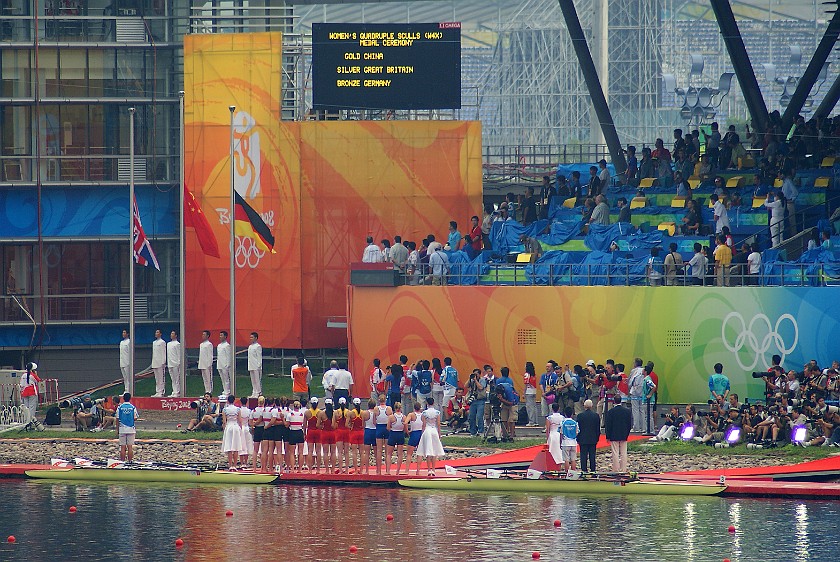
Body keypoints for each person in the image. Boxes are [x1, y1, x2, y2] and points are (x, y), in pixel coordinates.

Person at [416, 397, 445, 476]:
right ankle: (433, 470)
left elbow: (424, 424)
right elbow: (438, 424)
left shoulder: (424, 413)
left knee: (428, 451)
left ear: (427, 403)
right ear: (433, 403)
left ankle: (429, 470)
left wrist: (422, 432)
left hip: (427, 430)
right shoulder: (437, 412)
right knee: (434, 451)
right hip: (434, 430)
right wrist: (439, 433)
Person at [604, 395, 632, 473]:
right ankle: (623, 469)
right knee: (623, 453)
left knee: (615, 453)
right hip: (623, 434)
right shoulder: (627, 411)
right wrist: (627, 433)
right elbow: (629, 424)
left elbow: (608, 425)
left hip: (614, 434)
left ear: (614, 401)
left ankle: (616, 469)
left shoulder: (611, 412)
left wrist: (608, 436)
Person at [576, 399, 600, 472]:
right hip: (593, 438)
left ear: (584, 406)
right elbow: (597, 428)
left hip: (583, 438)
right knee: (592, 455)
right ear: (592, 406)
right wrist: (597, 438)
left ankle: (584, 469)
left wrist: (578, 438)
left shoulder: (580, 416)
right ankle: (593, 469)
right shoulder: (596, 416)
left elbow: (578, 428)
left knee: (583, 455)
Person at [117, 392, 139, 462]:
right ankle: (130, 461)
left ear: (123, 398)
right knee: (130, 447)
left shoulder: (120, 407)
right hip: (131, 428)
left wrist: (117, 429)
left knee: (122, 447)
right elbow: (135, 418)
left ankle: (122, 461)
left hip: (122, 428)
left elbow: (117, 419)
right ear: (130, 398)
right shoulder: (133, 407)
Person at [221, 394, 242, 469]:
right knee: (235, 446)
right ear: (234, 400)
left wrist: (224, 429)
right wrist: (240, 428)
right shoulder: (238, 409)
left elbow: (224, 421)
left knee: (229, 446)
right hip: (235, 426)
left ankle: (230, 465)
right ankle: (235, 465)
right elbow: (240, 420)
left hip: (229, 426)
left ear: (227, 400)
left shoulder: (225, 409)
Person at [386, 402, 407, 475]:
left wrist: (393, 428)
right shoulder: (404, 417)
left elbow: (388, 427)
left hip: (393, 434)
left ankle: (388, 471)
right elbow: (405, 428)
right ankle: (397, 471)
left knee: (389, 454)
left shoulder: (391, 417)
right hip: (400, 434)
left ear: (394, 408)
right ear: (400, 408)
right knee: (400, 454)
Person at [373, 394, 392, 475]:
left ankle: (378, 470)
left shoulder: (376, 409)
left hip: (379, 428)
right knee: (388, 452)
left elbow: (374, 421)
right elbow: (391, 419)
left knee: (379, 450)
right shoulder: (389, 408)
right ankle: (388, 471)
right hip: (386, 428)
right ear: (385, 400)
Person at [317, 398, 337, 474]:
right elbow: (334, 425)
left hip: (325, 433)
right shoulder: (334, 413)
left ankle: (327, 470)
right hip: (332, 433)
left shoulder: (321, 413)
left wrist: (322, 427)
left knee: (325, 452)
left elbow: (317, 425)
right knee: (333, 452)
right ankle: (333, 470)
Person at [285, 400, 305, 472]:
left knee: (292, 453)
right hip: (299, 432)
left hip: (292, 432)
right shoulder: (302, 414)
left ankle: (292, 468)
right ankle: (300, 469)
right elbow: (304, 424)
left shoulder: (290, 414)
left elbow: (287, 425)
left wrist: (283, 419)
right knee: (301, 452)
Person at [466, 368, 487, 436]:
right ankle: (473, 431)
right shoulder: (472, 381)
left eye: (476, 374)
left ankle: (481, 431)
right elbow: (465, 386)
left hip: (480, 400)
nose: (475, 376)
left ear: (479, 374)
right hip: (473, 400)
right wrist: (470, 379)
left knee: (479, 416)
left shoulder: (482, 380)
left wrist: (475, 380)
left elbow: (481, 388)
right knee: (471, 416)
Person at [347, 397, 366, 474]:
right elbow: (364, 424)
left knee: (354, 453)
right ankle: (361, 470)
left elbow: (346, 424)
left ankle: (355, 470)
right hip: (361, 432)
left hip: (354, 432)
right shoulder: (363, 412)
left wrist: (351, 427)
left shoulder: (351, 413)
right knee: (362, 452)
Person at [627, 358, 645, 433]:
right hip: (642, 391)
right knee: (642, 410)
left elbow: (630, 381)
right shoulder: (644, 370)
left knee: (635, 410)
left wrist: (629, 386)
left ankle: (636, 427)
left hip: (634, 391)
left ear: (635, 363)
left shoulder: (634, 371)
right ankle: (643, 427)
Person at [406, 402, 424, 475]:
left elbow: (405, 422)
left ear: (414, 408)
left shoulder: (411, 414)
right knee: (419, 453)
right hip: (420, 433)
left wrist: (407, 431)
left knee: (409, 454)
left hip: (414, 433)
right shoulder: (423, 415)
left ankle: (407, 470)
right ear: (420, 408)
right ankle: (418, 471)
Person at [21, 362, 41, 427]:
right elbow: (38, 380)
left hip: (24, 392)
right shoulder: (33, 375)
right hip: (32, 392)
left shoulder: (23, 375)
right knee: (32, 407)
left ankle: (26, 420)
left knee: (26, 407)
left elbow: (21, 384)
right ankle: (31, 421)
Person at [304, 397, 321, 473]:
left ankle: (310, 469)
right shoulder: (320, 412)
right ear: (317, 404)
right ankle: (318, 469)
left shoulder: (307, 412)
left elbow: (304, 425)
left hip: (310, 431)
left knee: (310, 451)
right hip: (318, 432)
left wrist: (304, 433)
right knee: (318, 451)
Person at [545, 402, 565, 467]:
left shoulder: (549, 418)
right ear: (559, 408)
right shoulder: (562, 417)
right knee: (559, 449)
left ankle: (553, 461)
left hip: (552, 434)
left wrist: (547, 437)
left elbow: (548, 429)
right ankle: (560, 461)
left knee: (552, 449)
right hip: (559, 434)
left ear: (552, 409)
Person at [560, 406, 579, 471]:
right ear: (572, 414)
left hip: (565, 442)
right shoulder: (575, 423)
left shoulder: (563, 422)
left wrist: (560, 442)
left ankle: (567, 473)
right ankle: (573, 472)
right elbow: (577, 432)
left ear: (565, 414)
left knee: (566, 459)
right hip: (573, 442)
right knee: (573, 459)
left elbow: (561, 433)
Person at [362, 399, 378, 474]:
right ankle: (378, 469)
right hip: (375, 431)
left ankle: (367, 470)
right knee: (376, 452)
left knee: (367, 453)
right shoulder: (376, 412)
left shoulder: (365, 413)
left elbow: (363, 425)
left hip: (368, 431)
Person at [238, 396, 254, 470]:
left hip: (241, 428)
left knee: (241, 444)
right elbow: (250, 421)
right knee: (247, 445)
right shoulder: (249, 411)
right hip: (247, 428)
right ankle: (246, 462)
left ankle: (242, 463)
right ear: (247, 402)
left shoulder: (239, 410)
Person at [166, 331, 182, 398]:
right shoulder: (168, 344)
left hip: (175, 363)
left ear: (176, 335)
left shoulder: (177, 344)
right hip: (170, 363)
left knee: (177, 378)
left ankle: (177, 392)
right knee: (173, 378)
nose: (171, 335)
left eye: (173, 334)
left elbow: (179, 354)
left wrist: (179, 363)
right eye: (171, 333)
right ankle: (174, 391)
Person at [150, 329, 166, 397]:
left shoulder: (162, 342)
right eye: (156, 332)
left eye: (157, 332)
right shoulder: (154, 342)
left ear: (160, 334)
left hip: (160, 362)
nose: (156, 333)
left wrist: (163, 361)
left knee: (161, 377)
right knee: (157, 378)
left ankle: (161, 391)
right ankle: (158, 391)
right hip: (155, 362)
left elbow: (163, 352)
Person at [217, 330, 232, 398]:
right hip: (220, 363)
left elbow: (228, 355)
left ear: (225, 337)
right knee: (222, 378)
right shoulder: (219, 345)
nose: (220, 337)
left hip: (225, 364)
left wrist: (227, 364)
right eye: (220, 335)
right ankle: (224, 390)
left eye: (221, 335)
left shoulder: (227, 345)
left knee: (226, 378)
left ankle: (227, 391)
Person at [523, 361, 539, 426]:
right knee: (534, 407)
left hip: (528, 391)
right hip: (534, 391)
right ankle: (536, 421)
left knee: (529, 407)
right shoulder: (533, 374)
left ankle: (531, 421)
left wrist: (524, 393)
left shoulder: (526, 374)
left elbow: (526, 384)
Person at [198, 330, 214, 394]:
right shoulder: (201, 344)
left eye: (204, 334)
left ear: (207, 336)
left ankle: (209, 391)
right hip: (202, 363)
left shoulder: (209, 344)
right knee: (204, 379)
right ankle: (206, 391)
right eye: (202, 334)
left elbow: (210, 355)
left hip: (207, 364)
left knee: (208, 379)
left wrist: (209, 364)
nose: (203, 336)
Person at [247, 332, 262, 397]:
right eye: (250, 337)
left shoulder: (258, 346)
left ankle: (258, 392)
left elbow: (259, 356)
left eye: (252, 337)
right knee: (253, 380)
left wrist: (259, 365)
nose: (251, 338)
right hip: (251, 365)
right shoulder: (250, 346)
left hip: (256, 366)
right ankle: (254, 392)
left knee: (257, 380)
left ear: (256, 338)